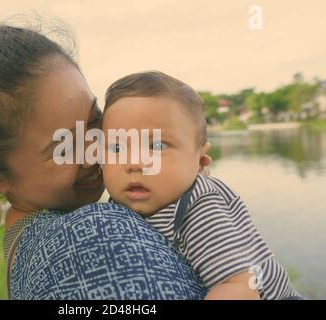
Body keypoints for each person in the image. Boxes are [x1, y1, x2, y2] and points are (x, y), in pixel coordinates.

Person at [0, 22, 210, 299]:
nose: (94, 149)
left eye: (94, 117)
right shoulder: (91, 237)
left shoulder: (27, 240)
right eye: (62, 147)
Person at [101, 71, 302, 300]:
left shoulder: (198, 207)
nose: (134, 163)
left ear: (200, 161)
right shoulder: (124, 202)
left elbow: (240, 286)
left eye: (156, 146)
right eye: (116, 148)